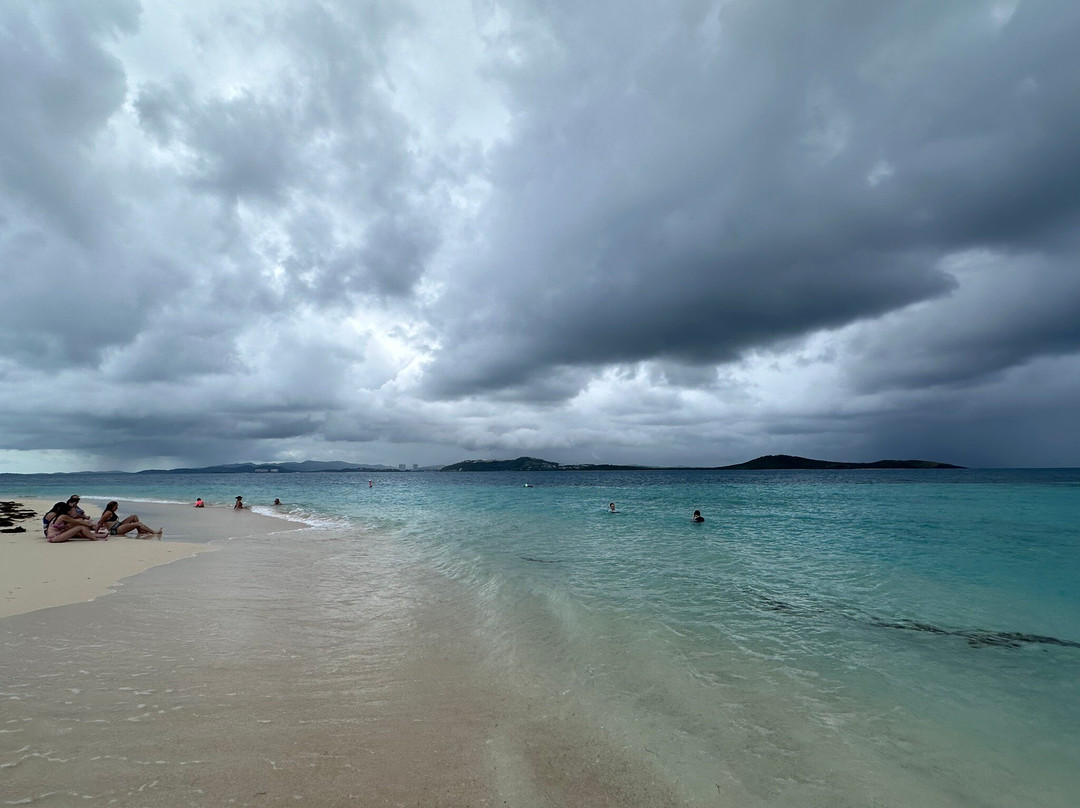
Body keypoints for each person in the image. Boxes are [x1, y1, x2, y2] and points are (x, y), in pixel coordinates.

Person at [95, 501, 162, 537]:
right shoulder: (108, 513)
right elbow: (100, 522)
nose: (117, 508)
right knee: (138, 524)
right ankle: (154, 532)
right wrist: (96, 532)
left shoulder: (111, 512)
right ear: (111, 507)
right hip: (115, 530)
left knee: (134, 516)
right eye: (116, 507)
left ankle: (140, 531)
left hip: (118, 525)